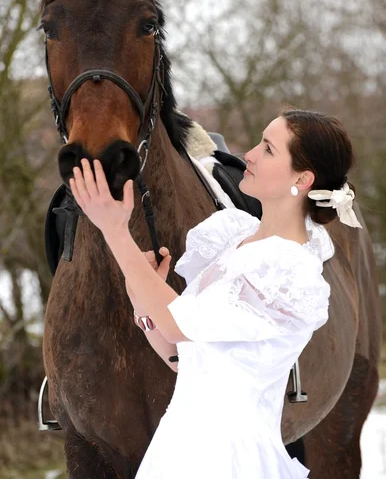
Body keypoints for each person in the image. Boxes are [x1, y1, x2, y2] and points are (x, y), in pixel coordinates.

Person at [69, 107, 362, 479]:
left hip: (227, 460)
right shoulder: (236, 237)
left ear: (302, 179)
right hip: (177, 447)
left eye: (268, 150)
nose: (250, 155)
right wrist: (141, 293)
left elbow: (177, 325)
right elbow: (181, 356)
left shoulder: (288, 268)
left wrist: (115, 231)